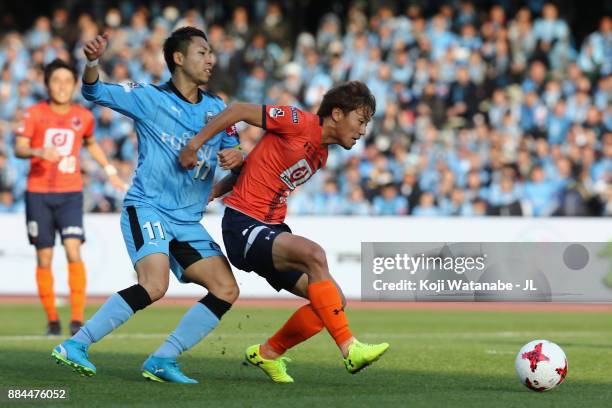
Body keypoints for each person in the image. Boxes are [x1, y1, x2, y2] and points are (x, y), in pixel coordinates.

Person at [51, 27, 244, 383]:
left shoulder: (218, 109)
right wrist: (93, 62)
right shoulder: (149, 98)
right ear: (178, 58)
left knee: (226, 289)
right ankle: (76, 344)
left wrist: (237, 154)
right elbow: (92, 90)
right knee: (155, 285)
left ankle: (162, 359)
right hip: (148, 208)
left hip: (187, 220)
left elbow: (236, 151)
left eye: (211, 52)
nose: (211, 59)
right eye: (202, 52)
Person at [179, 81, 389, 383]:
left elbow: (259, 168)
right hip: (243, 224)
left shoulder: (321, 155)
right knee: (314, 254)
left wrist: (218, 189)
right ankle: (349, 348)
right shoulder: (296, 121)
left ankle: (268, 353)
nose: (362, 131)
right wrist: (193, 145)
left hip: (270, 227)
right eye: (360, 121)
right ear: (338, 113)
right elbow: (237, 110)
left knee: (332, 303)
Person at [15, 59, 127, 336]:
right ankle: (52, 320)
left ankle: (77, 319)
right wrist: (40, 152)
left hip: (70, 193)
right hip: (38, 194)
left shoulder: (83, 116)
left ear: (75, 85)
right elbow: (19, 147)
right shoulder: (34, 114)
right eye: (56, 81)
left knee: (74, 249)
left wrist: (110, 170)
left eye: (67, 81)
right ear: (47, 84)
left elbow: (90, 142)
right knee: (44, 257)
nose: (62, 87)